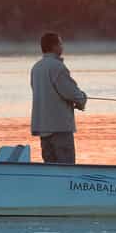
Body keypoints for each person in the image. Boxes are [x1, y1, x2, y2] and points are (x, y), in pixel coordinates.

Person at [30, 32, 87, 164]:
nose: (62, 47)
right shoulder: (57, 67)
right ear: (54, 46)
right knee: (66, 168)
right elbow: (71, 93)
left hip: (43, 128)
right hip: (60, 128)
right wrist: (82, 99)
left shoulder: (36, 68)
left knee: (51, 171)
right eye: (60, 44)